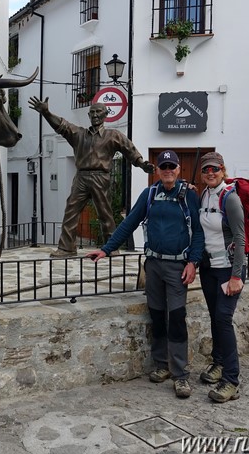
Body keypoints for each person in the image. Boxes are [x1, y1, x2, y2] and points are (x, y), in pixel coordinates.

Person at [87, 150, 204, 399]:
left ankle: (181, 375)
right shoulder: (150, 194)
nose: (168, 170)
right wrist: (107, 249)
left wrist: (193, 262)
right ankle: (162, 365)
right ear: (158, 170)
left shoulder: (188, 195)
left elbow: (200, 232)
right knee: (158, 317)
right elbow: (130, 222)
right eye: (164, 166)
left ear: (178, 169)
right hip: (153, 265)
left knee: (177, 318)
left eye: (172, 166)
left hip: (177, 268)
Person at [28, 97, 154, 257]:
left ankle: (111, 247)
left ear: (106, 114)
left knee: (105, 213)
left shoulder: (113, 135)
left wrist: (142, 164)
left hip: (101, 177)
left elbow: (130, 150)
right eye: (92, 112)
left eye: (98, 112)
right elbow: (61, 125)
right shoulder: (79, 134)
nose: (95, 115)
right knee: (71, 211)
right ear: (88, 115)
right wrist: (46, 112)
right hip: (81, 177)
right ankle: (66, 248)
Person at [196, 152, 245, 403]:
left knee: (224, 319)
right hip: (209, 268)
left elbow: (240, 238)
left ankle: (231, 380)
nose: (210, 173)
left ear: (223, 170)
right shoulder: (205, 194)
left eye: (215, 169)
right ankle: (218, 363)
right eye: (206, 170)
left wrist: (236, 276)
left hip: (228, 270)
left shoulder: (231, 198)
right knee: (215, 317)